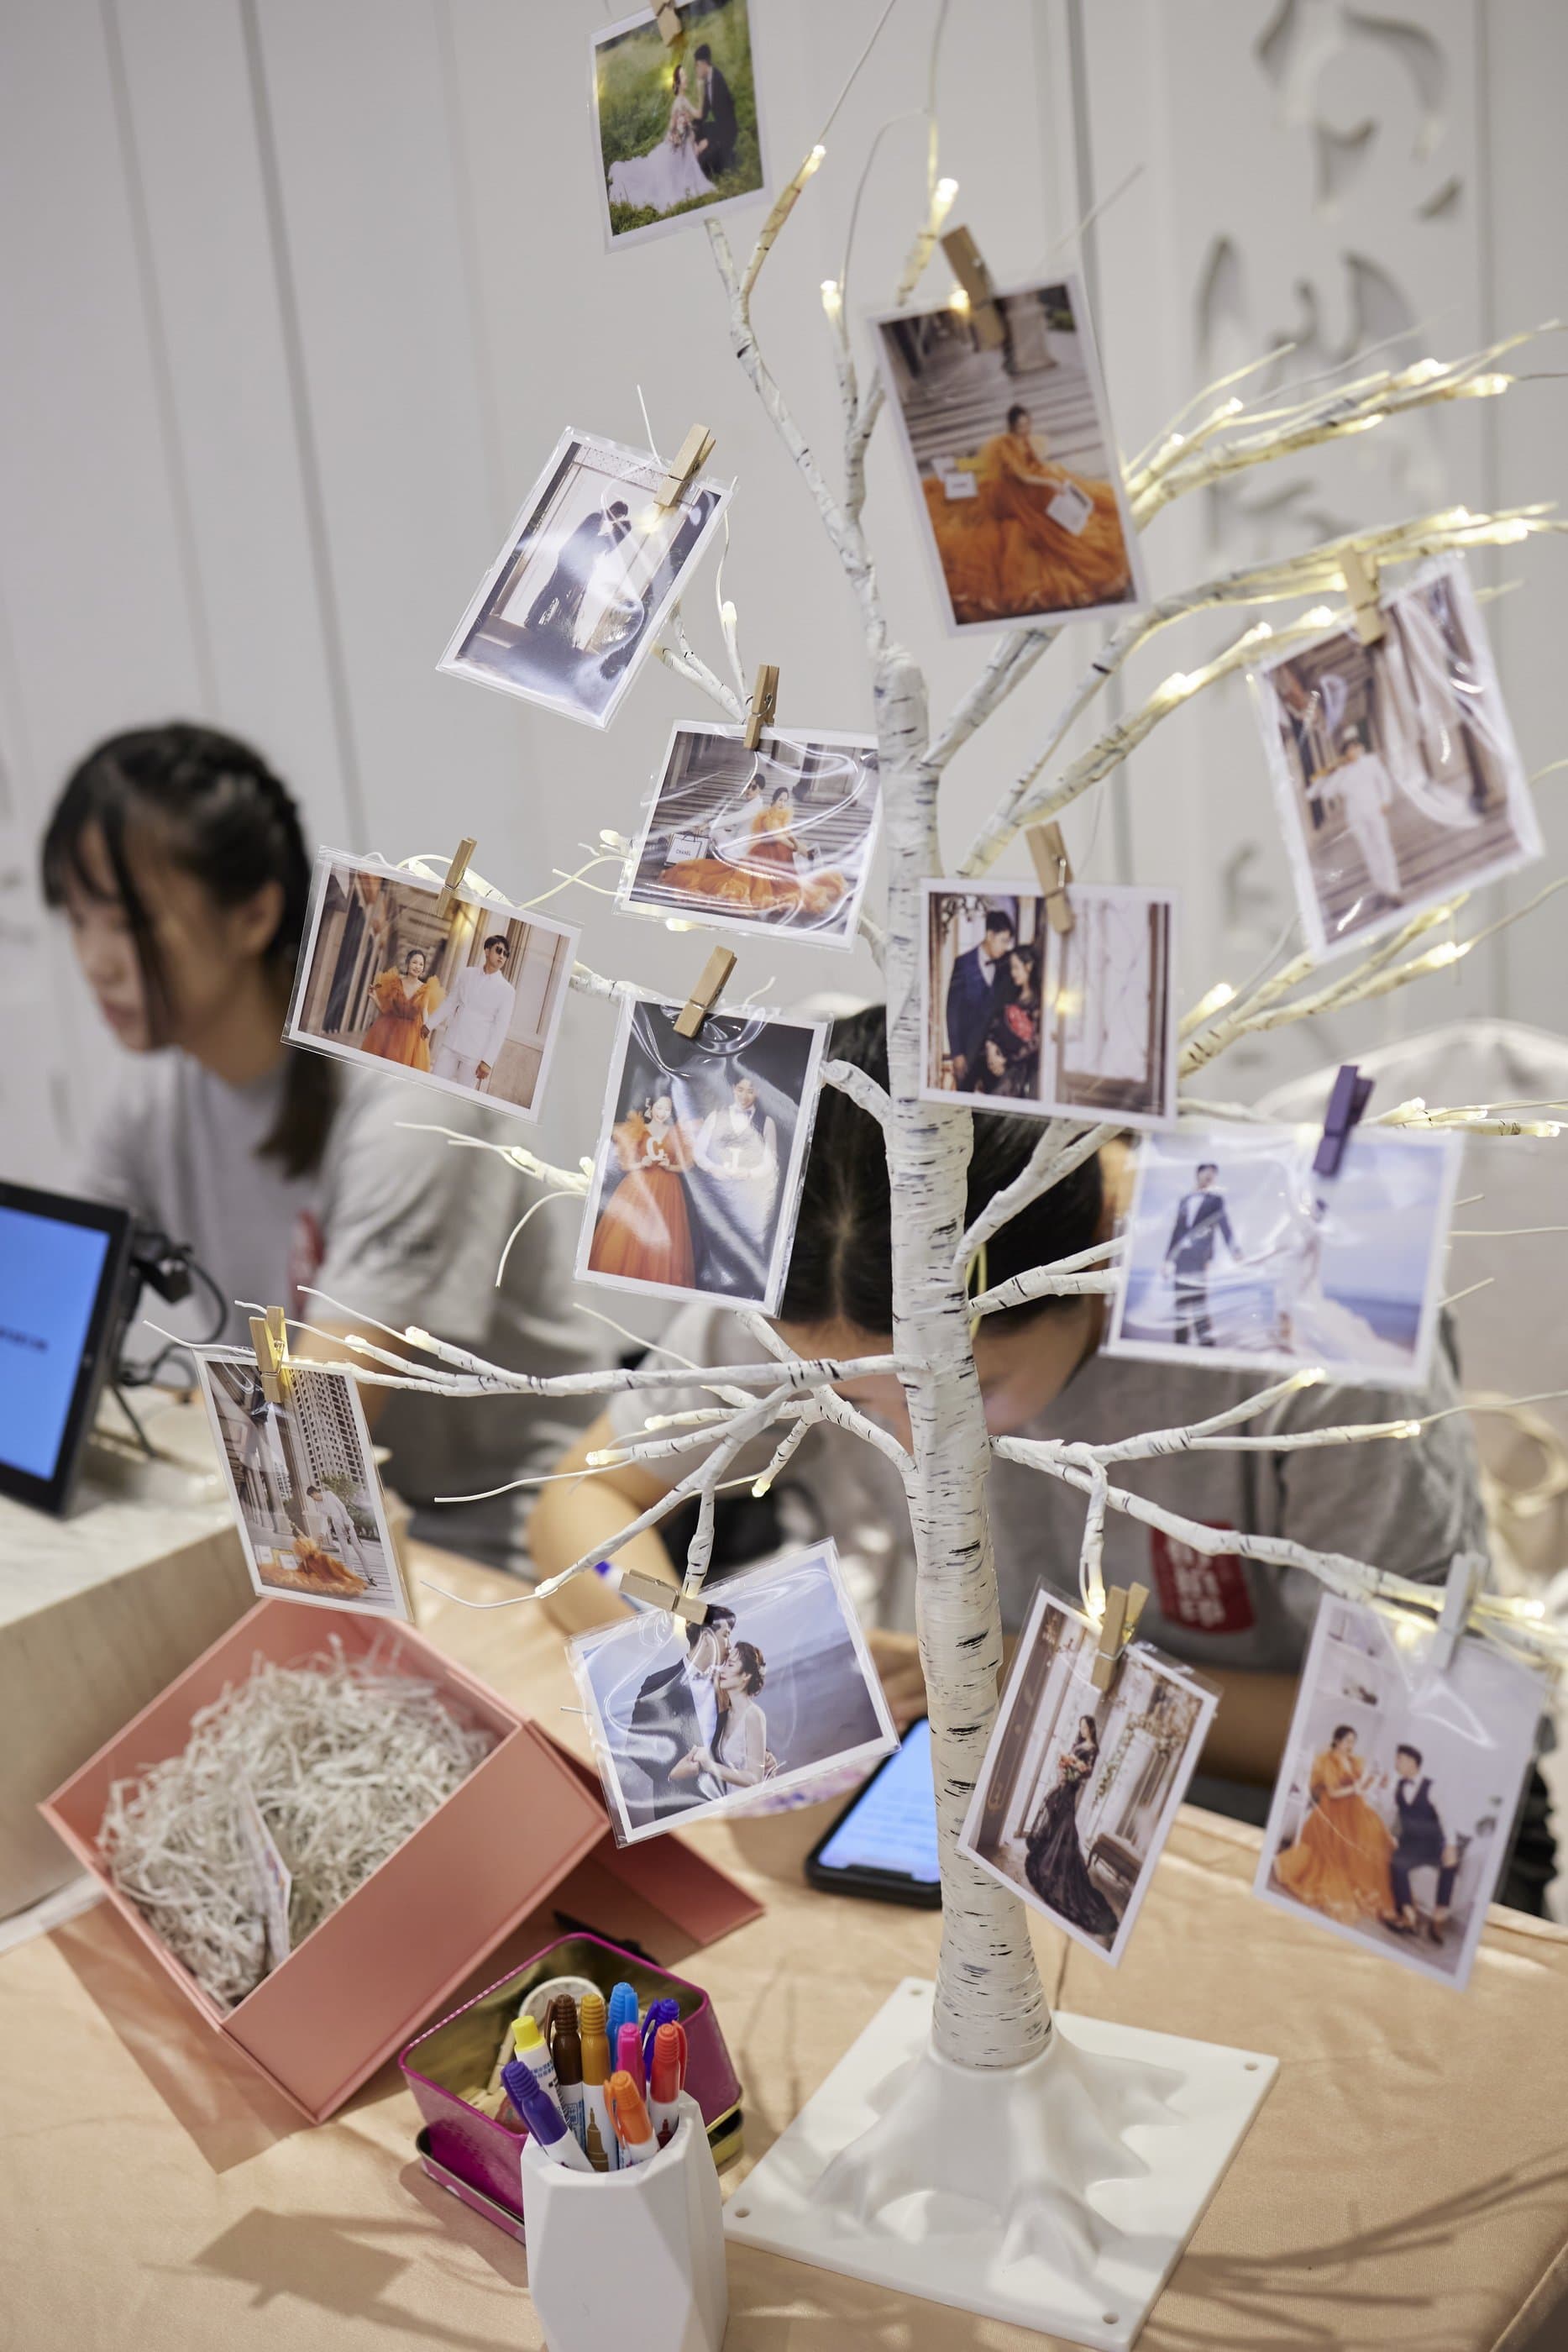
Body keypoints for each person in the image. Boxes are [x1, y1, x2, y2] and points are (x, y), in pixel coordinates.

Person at [528, 1005, 1526, 1880]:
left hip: (1307, 1831)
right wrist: (699, 1656)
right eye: (854, 1402)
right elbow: (583, 1503)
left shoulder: (1310, 1312)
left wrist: (1044, 1677)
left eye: (971, 1391)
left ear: (1094, 1260)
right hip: (1000, 1790)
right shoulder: (824, 1257)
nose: (915, 1445)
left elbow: (1421, 1729)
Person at [45, 722, 599, 1573]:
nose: (95, 962)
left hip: (502, 1554)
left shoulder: (413, 1100)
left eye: (126, 921)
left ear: (254, 913)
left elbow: (312, 1438)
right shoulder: (153, 1097)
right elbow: (48, 1307)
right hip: (339, 1531)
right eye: (76, 920)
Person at [926, 402, 1134, 625]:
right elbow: (1022, 476)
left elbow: (1033, 463)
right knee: (1036, 523)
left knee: (1067, 496)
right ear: (1012, 426)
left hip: (1032, 484)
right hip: (1014, 494)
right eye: (1021, 426)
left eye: (1027, 424)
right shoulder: (1005, 445)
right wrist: (1049, 483)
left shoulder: (1025, 439)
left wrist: (1051, 475)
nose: (1025, 429)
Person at [621, 1604, 737, 1819]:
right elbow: (635, 1745)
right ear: (707, 1637)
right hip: (678, 1806)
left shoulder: (726, 1685)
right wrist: (671, 1773)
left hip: (726, 1805)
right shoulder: (658, 1684)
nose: (730, 1646)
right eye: (726, 1636)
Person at [1272, 1724, 1395, 1922]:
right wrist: (1355, 1788)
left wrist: (1376, 1780)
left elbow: (1361, 1788)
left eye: (1353, 1742)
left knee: (1375, 1834)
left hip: (1354, 1807)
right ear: (1337, 1741)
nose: (1351, 1745)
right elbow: (1333, 1793)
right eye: (1347, 1741)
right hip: (1333, 1810)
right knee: (1337, 1851)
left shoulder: (1354, 1761)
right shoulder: (1327, 1761)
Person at [1024, 1714, 1120, 1941]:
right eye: (1081, 1727)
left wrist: (1073, 1765)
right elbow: (1070, 1763)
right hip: (1066, 1783)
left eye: (1085, 1727)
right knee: (1057, 1818)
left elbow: (1087, 1771)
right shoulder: (1080, 1743)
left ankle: (1057, 1863)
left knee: (1064, 1823)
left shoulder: (1092, 1748)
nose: (1083, 1730)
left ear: (1092, 1728)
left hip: (1071, 1787)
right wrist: (1064, 1768)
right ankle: (1051, 1855)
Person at [587, 1091, 696, 1289]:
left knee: (663, 1237)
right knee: (629, 1236)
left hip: (668, 1191)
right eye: (659, 1107)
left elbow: (686, 1164)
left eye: (668, 1109)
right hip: (639, 1187)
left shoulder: (675, 1133)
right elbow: (626, 1164)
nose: (662, 1112)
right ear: (651, 1107)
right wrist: (642, 1163)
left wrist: (669, 1166)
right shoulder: (638, 1129)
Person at [691, 1073, 779, 1289]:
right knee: (714, 1241)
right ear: (733, 1088)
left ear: (758, 1091)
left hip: (749, 1196)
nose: (745, 1095)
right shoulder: (716, 1116)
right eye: (740, 1089)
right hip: (717, 1193)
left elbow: (771, 1163)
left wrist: (749, 1174)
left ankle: (743, 1289)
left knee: (746, 1246)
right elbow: (698, 1152)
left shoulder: (767, 1122)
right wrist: (713, 1169)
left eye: (750, 1090)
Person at [1312, 727, 1404, 916]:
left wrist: (1386, 800)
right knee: (1369, 853)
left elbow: (1383, 780)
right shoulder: (1342, 772)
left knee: (1384, 848)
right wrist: (1333, 773)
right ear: (1344, 753)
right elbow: (1326, 793)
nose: (1352, 751)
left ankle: (1394, 890)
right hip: (1356, 817)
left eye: (1354, 747)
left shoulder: (1370, 762)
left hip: (1375, 810)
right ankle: (1382, 891)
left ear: (1358, 747)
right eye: (1348, 749)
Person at [607, 60, 716, 213]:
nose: (686, 79)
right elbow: (673, 126)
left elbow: (698, 114)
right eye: (683, 76)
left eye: (686, 75)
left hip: (684, 143)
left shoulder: (683, 100)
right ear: (678, 83)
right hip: (677, 143)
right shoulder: (678, 103)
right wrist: (677, 135)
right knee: (658, 174)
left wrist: (699, 91)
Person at [673, 1640, 771, 1800]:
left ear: (746, 1675)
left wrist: (711, 1767)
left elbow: (755, 1779)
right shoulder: (725, 1716)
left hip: (751, 1802)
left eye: (730, 1665)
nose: (722, 1670)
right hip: (731, 1803)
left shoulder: (754, 1715)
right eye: (724, 1664)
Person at [523, 501, 632, 645]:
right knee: (554, 590)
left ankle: (533, 619)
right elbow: (587, 542)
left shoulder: (598, 518)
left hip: (570, 559)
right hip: (569, 559)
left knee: (553, 589)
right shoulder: (596, 518)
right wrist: (608, 537)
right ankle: (533, 620)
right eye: (617, 515)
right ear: (613, 509)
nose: (615, 519)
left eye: (618, 518)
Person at [1385, 1742, 1460, 1946]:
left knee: (1450, 1865)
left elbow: (1447, 1818)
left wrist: (1451, 1845)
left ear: (1412, 1762)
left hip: (1432, 1844)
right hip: (1410, 1844)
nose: (1396, 1763)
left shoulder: (1432, 1787)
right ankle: (1409, 1916)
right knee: (1397, 1863)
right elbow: (1390, 1811)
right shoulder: (1398, 1786)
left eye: (1400, 1759)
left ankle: (1438, 1918)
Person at [425, 933, 516, 1092]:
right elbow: (450, 1002)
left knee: (463, 1095)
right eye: (498, 950)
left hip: (475, 1054)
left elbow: (501, 1028)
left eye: (505, 954)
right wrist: (429, 1024)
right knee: (434, 1085)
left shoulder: (507, 991)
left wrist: (488, 1061)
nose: (502, 956)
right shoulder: (467, 974)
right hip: (452, 1043)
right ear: (487, 951)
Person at [1162, 1162, 1236, 1347]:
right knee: (1180, 1300)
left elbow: (1224, 1225)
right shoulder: (1185, 1199)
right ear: (1198, 1173)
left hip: (1200, 1257)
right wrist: (1168, 1259)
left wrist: (1235, 1251)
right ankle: (1180, 1342)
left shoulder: (1215, 1200)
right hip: (1181, 1257)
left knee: (1198, 1299)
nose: (1210, 1176)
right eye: (1207, 1172)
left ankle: (1206, 1343)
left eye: (1213, 1173)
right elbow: (1177, 1231)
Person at [946, 908, 1015, 1089]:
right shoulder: (963, 963)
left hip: (996, 1055)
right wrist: (957, 1053)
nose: (1006, 947)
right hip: (968, 1053)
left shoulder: (1007, 965)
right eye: (1003, 941)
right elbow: (953, 1011)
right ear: (990, 935)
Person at [359, 946, 441, 1071]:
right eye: (414, 962)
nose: (417, 967)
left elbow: (424, 1010)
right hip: (390, 1032)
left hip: (412, 1036)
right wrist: (374, 997)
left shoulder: (425, 989)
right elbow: (386, 1011)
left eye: (421, 964)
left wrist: (426, 1028)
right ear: (407, 963)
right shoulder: (395, 983)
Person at [691, 42, 738, 179]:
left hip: (727, 132)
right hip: (719, 127)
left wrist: (708, 140)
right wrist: (693, 128)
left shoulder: (718, 82)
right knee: (695, 133)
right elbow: (705, 111)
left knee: (701, 164)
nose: (696, 70)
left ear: (703, 64)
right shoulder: (709, 80)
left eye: (696, 66)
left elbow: (726, 121)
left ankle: (729, 157)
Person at [305, 1480, 368, 1572]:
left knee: (358, 1549)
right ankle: (351, 1573)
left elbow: (342, 1507)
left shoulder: (329, 1494)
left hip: (347, 1525)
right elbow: (324, 1520)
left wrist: (346, 1522)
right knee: (345, 1551)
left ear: (315, 1493)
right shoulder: (319, 1506)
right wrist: (322, 1533)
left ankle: (369, 1574)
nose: (313, 1499)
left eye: (312, 1496)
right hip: (337, 1527)